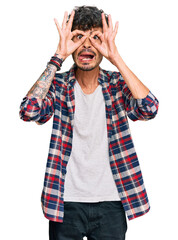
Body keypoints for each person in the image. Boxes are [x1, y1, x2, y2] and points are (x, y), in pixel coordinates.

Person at [19, 5, 159, 240]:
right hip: (65, 202)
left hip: (112, 202)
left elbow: (149, 109)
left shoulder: (116, 84)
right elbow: (29, 111)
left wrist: (116, 58)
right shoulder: (59, 86)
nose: (86, 45)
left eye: (95, 37)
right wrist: (58, 56)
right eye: (78, 37)